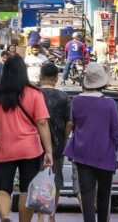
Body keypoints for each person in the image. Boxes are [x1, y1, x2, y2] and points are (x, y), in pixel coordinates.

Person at [0, 54, 53, 222]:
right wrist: (48, 151)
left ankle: (5, 216)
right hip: (30, 149)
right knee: (26, 190)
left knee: (2, 189)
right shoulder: (35, 94)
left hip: (4, 148)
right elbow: (42, 123)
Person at [64, 63, 118, 222]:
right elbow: (115, 133)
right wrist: (115, 151)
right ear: (102, 82)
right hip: (105, 155)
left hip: (82, 154)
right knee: (104, 196)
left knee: (87, 196)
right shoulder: (109, 103)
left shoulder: (76, 101)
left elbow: (73, 124)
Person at [38, 63, 71, 222]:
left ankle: (39, 216)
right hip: (57, 146)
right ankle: (51, 215)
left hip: (35, 145)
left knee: (37, 180)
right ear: (57, 79)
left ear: (40, 77)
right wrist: (64, 139)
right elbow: (70, 123)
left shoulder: (33, 95)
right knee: (55, 181)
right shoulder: (64, 97)